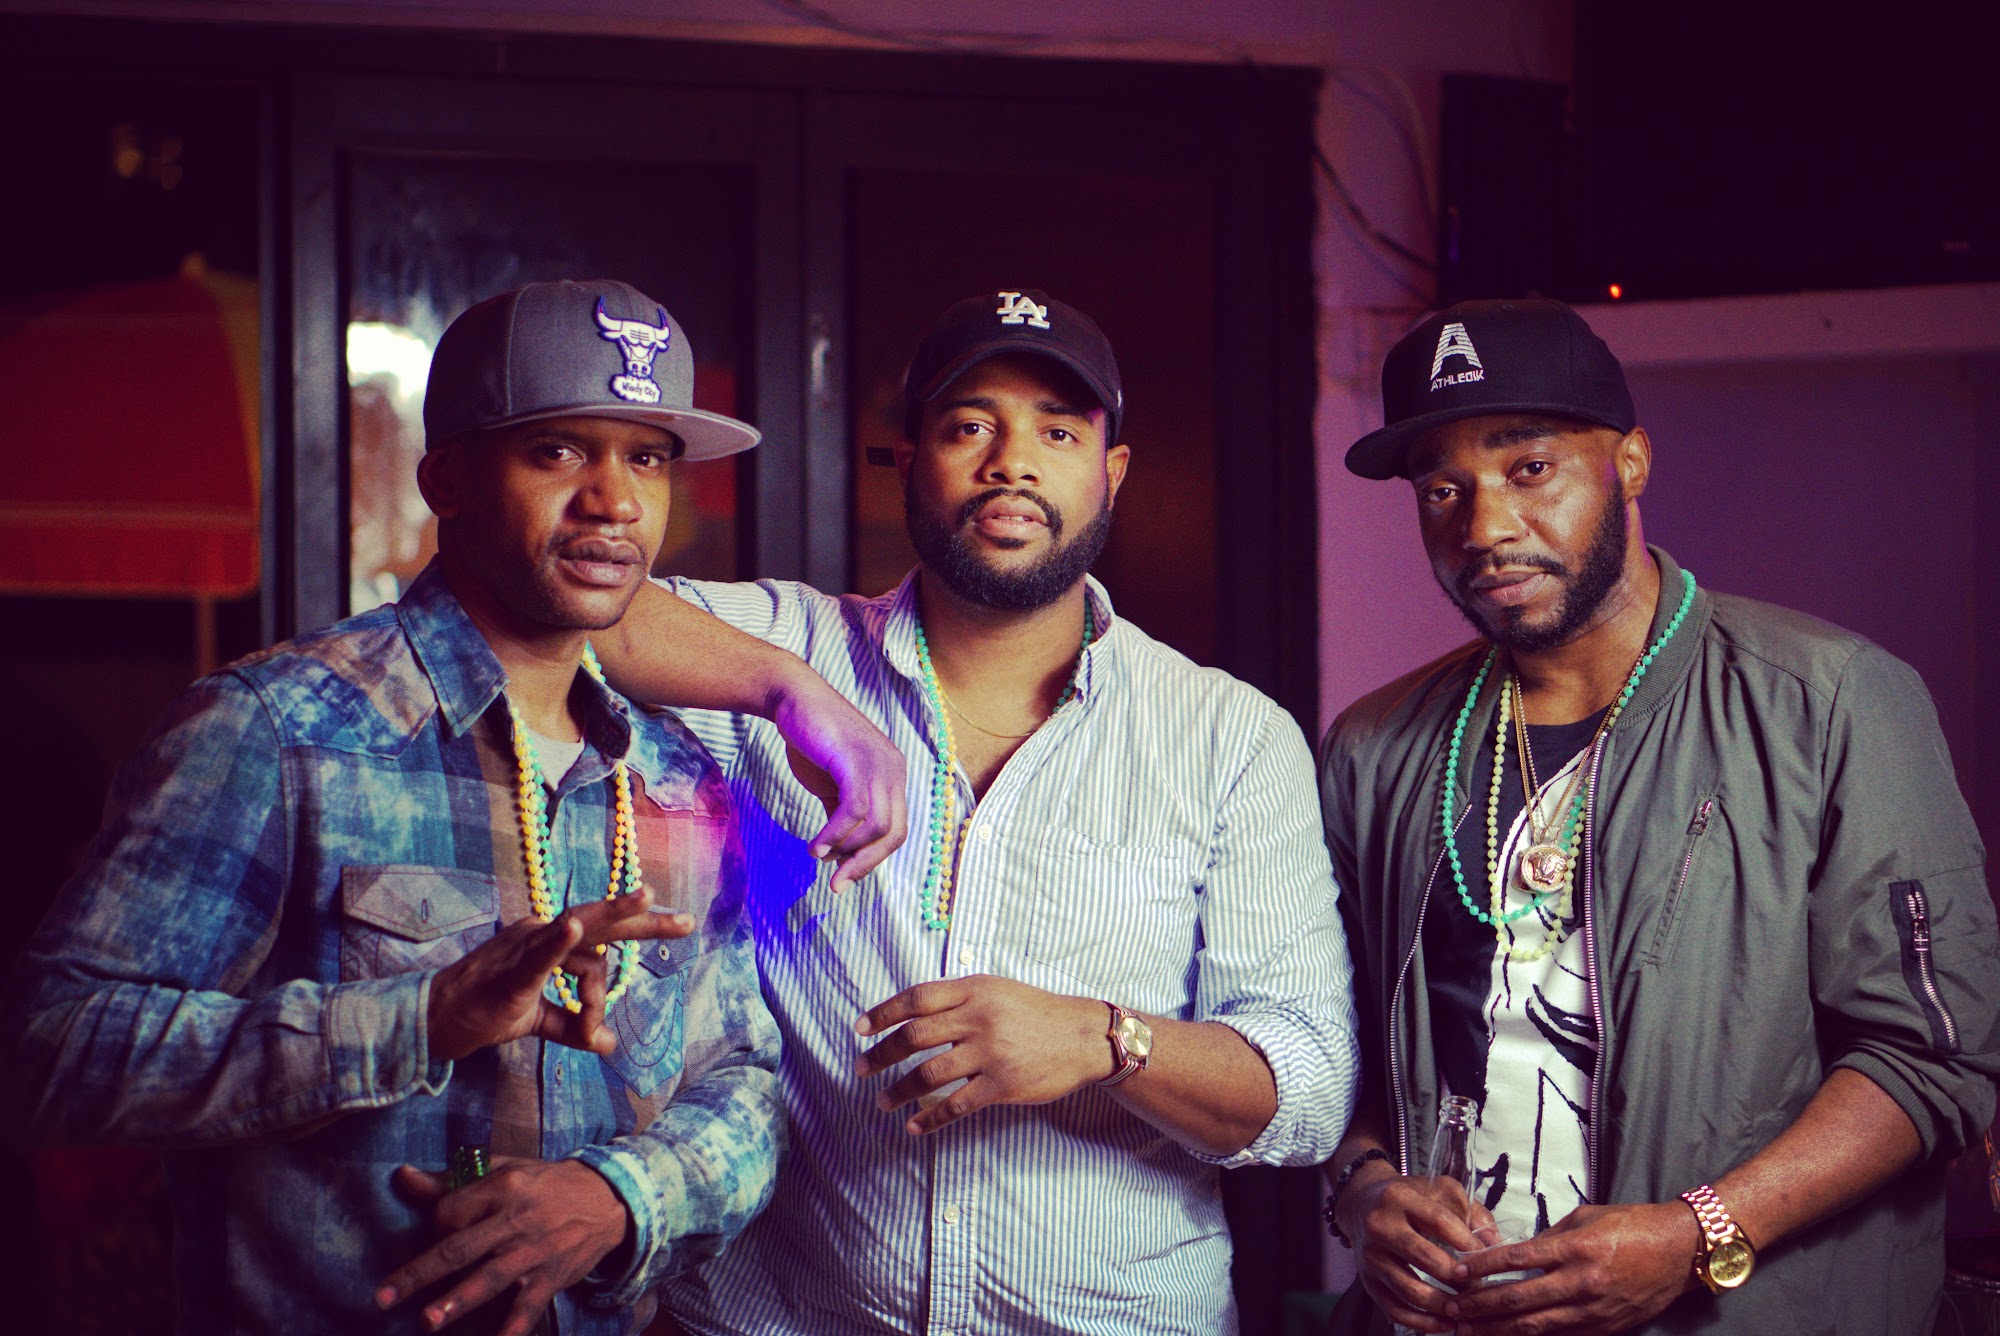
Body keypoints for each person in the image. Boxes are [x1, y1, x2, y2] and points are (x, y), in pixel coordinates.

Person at [1, 279, 814, 1336]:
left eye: (648, 458)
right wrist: (416, 1020)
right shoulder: (279, 730)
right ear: (447, 480)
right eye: (558, 450)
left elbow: (747, 1082)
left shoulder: (671, 777)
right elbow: (50, 1052)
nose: (614, 500)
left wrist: (622, 1199)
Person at [595, 288, 1361, 1334]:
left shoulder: (1229, 735)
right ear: (908, 460)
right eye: (969, 427)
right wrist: (791, 691)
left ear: (1112, 472)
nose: (1012, 463)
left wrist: (1101, 1040)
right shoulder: (784, 647)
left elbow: (1307, 1088)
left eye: (1057, 432)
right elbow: (576, 606)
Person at [1317, 297, 2000, 1334]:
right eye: (1441, 489)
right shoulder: (1376, 746)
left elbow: (1935, 1057)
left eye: (1529, 468)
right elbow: (1334, 1046)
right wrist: (1363, 1191)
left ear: (1628, 463)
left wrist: (1697, 1234)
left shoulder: (1830, 700)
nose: (1483, 527)